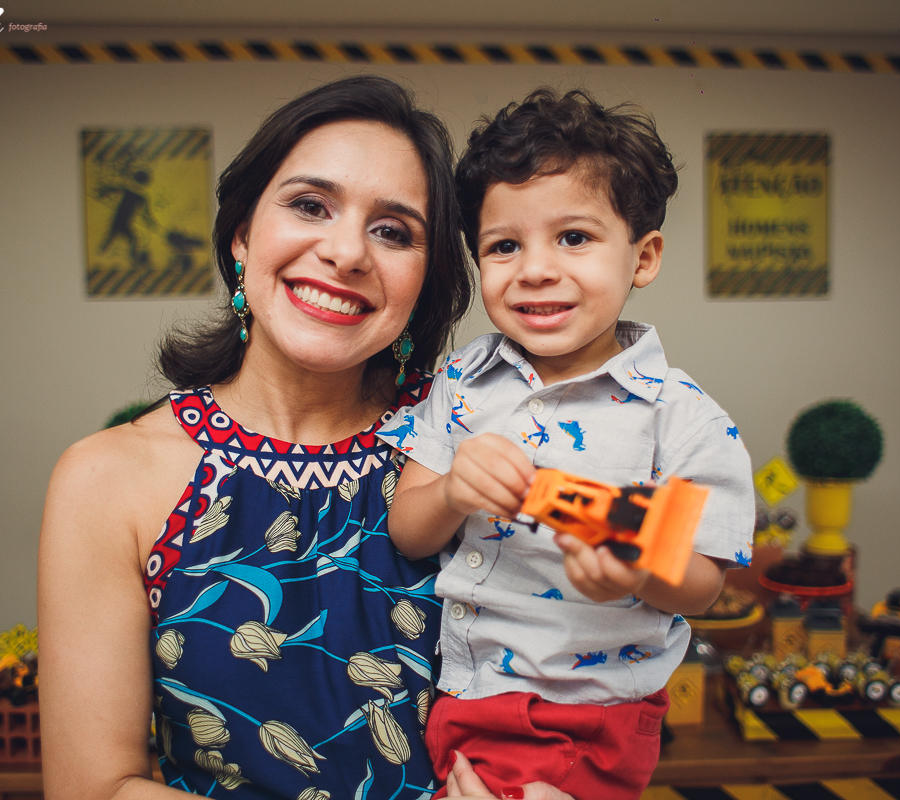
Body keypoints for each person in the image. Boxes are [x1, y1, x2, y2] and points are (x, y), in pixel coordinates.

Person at [39, 75, 571, 800]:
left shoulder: (479, 442)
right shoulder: (106, 480)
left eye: (393, 231)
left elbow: (587, 667)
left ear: (427, 279)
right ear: (241, 235)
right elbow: (94, 788)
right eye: (309, 206)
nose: (347, 252)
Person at [377, 88, 755, 799]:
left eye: (574, 238)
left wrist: (638, 570)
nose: (536, 268)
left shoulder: (680, 419)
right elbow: (408, 532)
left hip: (595, 717)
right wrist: (455, 488)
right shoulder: (461, 383)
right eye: (504, 246)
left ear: (642, 258)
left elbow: (704, 588)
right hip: (464, 696)